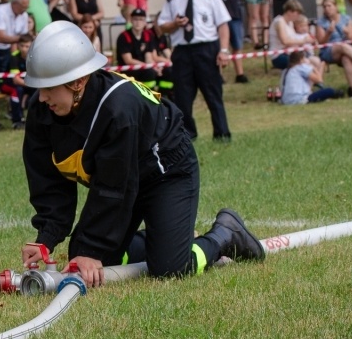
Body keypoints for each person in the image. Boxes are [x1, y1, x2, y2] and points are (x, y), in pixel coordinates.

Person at [19, 20, 264, 287]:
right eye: (39, 88)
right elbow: (48, 180)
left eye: (49, 88)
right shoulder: (43, 111)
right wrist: (47, 237)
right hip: (123, 178)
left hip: (166, 170)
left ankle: (225, 234)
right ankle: (169, 236)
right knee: (84, 254)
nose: (41, 98)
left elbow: (114, 188)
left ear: (78, 82)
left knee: (170, 267)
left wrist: (92, 250)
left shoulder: (118, 110)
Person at [157, 0, 232, 142]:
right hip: (183, 52)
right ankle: (187, 135)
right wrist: (175, 24)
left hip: (207, 49)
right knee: (183, 97)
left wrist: (223, 50)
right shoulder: (172, 0)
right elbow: (162, 26)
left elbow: (223, 25)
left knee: (213, 93)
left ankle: (222, 133)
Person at [207, 0, 248, 83]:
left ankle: (240, 74)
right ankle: (219, 75)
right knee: (218, 47)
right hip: (217, 17)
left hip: (233, 13)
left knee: (237, 45)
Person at [316, 0, 352, 98]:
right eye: (324, 7)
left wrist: (348, 33)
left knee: (346, 59)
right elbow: (321, 43)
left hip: (347, 50)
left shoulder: (346, 18)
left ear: (335, 7)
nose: (327, 9)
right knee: (342, 46)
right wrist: (328, 33)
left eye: (329, 6)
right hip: (329, 51)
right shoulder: (321, 22)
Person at [267, 0, 321, 74]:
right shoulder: (279, 22)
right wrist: (304, 41)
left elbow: (294, 38)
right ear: (289, 11)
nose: (298, 16)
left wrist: (309, 40)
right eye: (297, 13)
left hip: (291, 52)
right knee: (306, 63)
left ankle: (314, 82)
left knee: (316, 61)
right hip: (279, 55)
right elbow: (285, 41)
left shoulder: (290, 23)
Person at [279, 51, 344, 105]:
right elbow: (319, 80)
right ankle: (337, 93)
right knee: (329, 90)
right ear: (301, 60)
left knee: (318, 93)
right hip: (299, 99)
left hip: (286, 100)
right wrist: (314, 67)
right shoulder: (301, 67)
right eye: (305, 58)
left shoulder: (286, 71)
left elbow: (311, 84)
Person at [0, 33, 34, 130]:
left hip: (25, 84)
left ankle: (35, 119)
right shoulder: (14, 57)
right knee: (17, 91)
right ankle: (16, 120)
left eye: (27, 46)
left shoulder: (34, 57)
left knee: (39, 92)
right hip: (7, 83)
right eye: (22, 46)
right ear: (18, 45)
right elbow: (16, 80)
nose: (24, 49)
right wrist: (34, 84)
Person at [116, 8, 157, 89]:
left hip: (143, 68)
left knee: (164, 72)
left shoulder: (148, 35)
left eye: (141, 19)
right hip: (128, 70)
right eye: (135, 19)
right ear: (131, 20)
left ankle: (164, 95)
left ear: (145, 22)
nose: (138, 22)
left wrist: (154, 66)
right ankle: (147, 94)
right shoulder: (124, 36)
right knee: (150, 72)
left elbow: (148, 56)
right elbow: (128, 60)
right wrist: (146, 66)